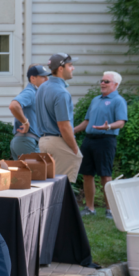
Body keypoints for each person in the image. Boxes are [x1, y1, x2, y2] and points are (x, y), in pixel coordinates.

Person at [74, 71, 127, 219]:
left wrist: (108, 127)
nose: (102, 83)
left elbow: (121, 122)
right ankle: (89, 208)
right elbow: (87, 122)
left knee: (105, 175)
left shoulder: (118, 100)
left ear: (115, 85)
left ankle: (110, 210)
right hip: (89, 140)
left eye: (106, 81)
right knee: (87, 174)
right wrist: (71, 131)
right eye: (102, 81)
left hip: (106, 140)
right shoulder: (95, 100)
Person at [35, 53, 82, 183]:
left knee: (49, 186)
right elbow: (64, 126)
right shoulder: (61, 92)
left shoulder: (42, 87)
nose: (73, 68)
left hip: (43, 141)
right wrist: (74, 148)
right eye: (70, 65)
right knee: (61, 189)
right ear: (61, 69)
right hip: (58, 141)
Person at [9, 65, 51, 160]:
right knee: (37, 174)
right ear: (33, 78)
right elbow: (13, 105)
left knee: (24, 175)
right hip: (26, 141)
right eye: (43, 77)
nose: (47, 79)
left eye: (47, 76)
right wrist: (25, 122)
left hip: (25, 141)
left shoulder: (36, 93)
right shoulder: (30, 92)